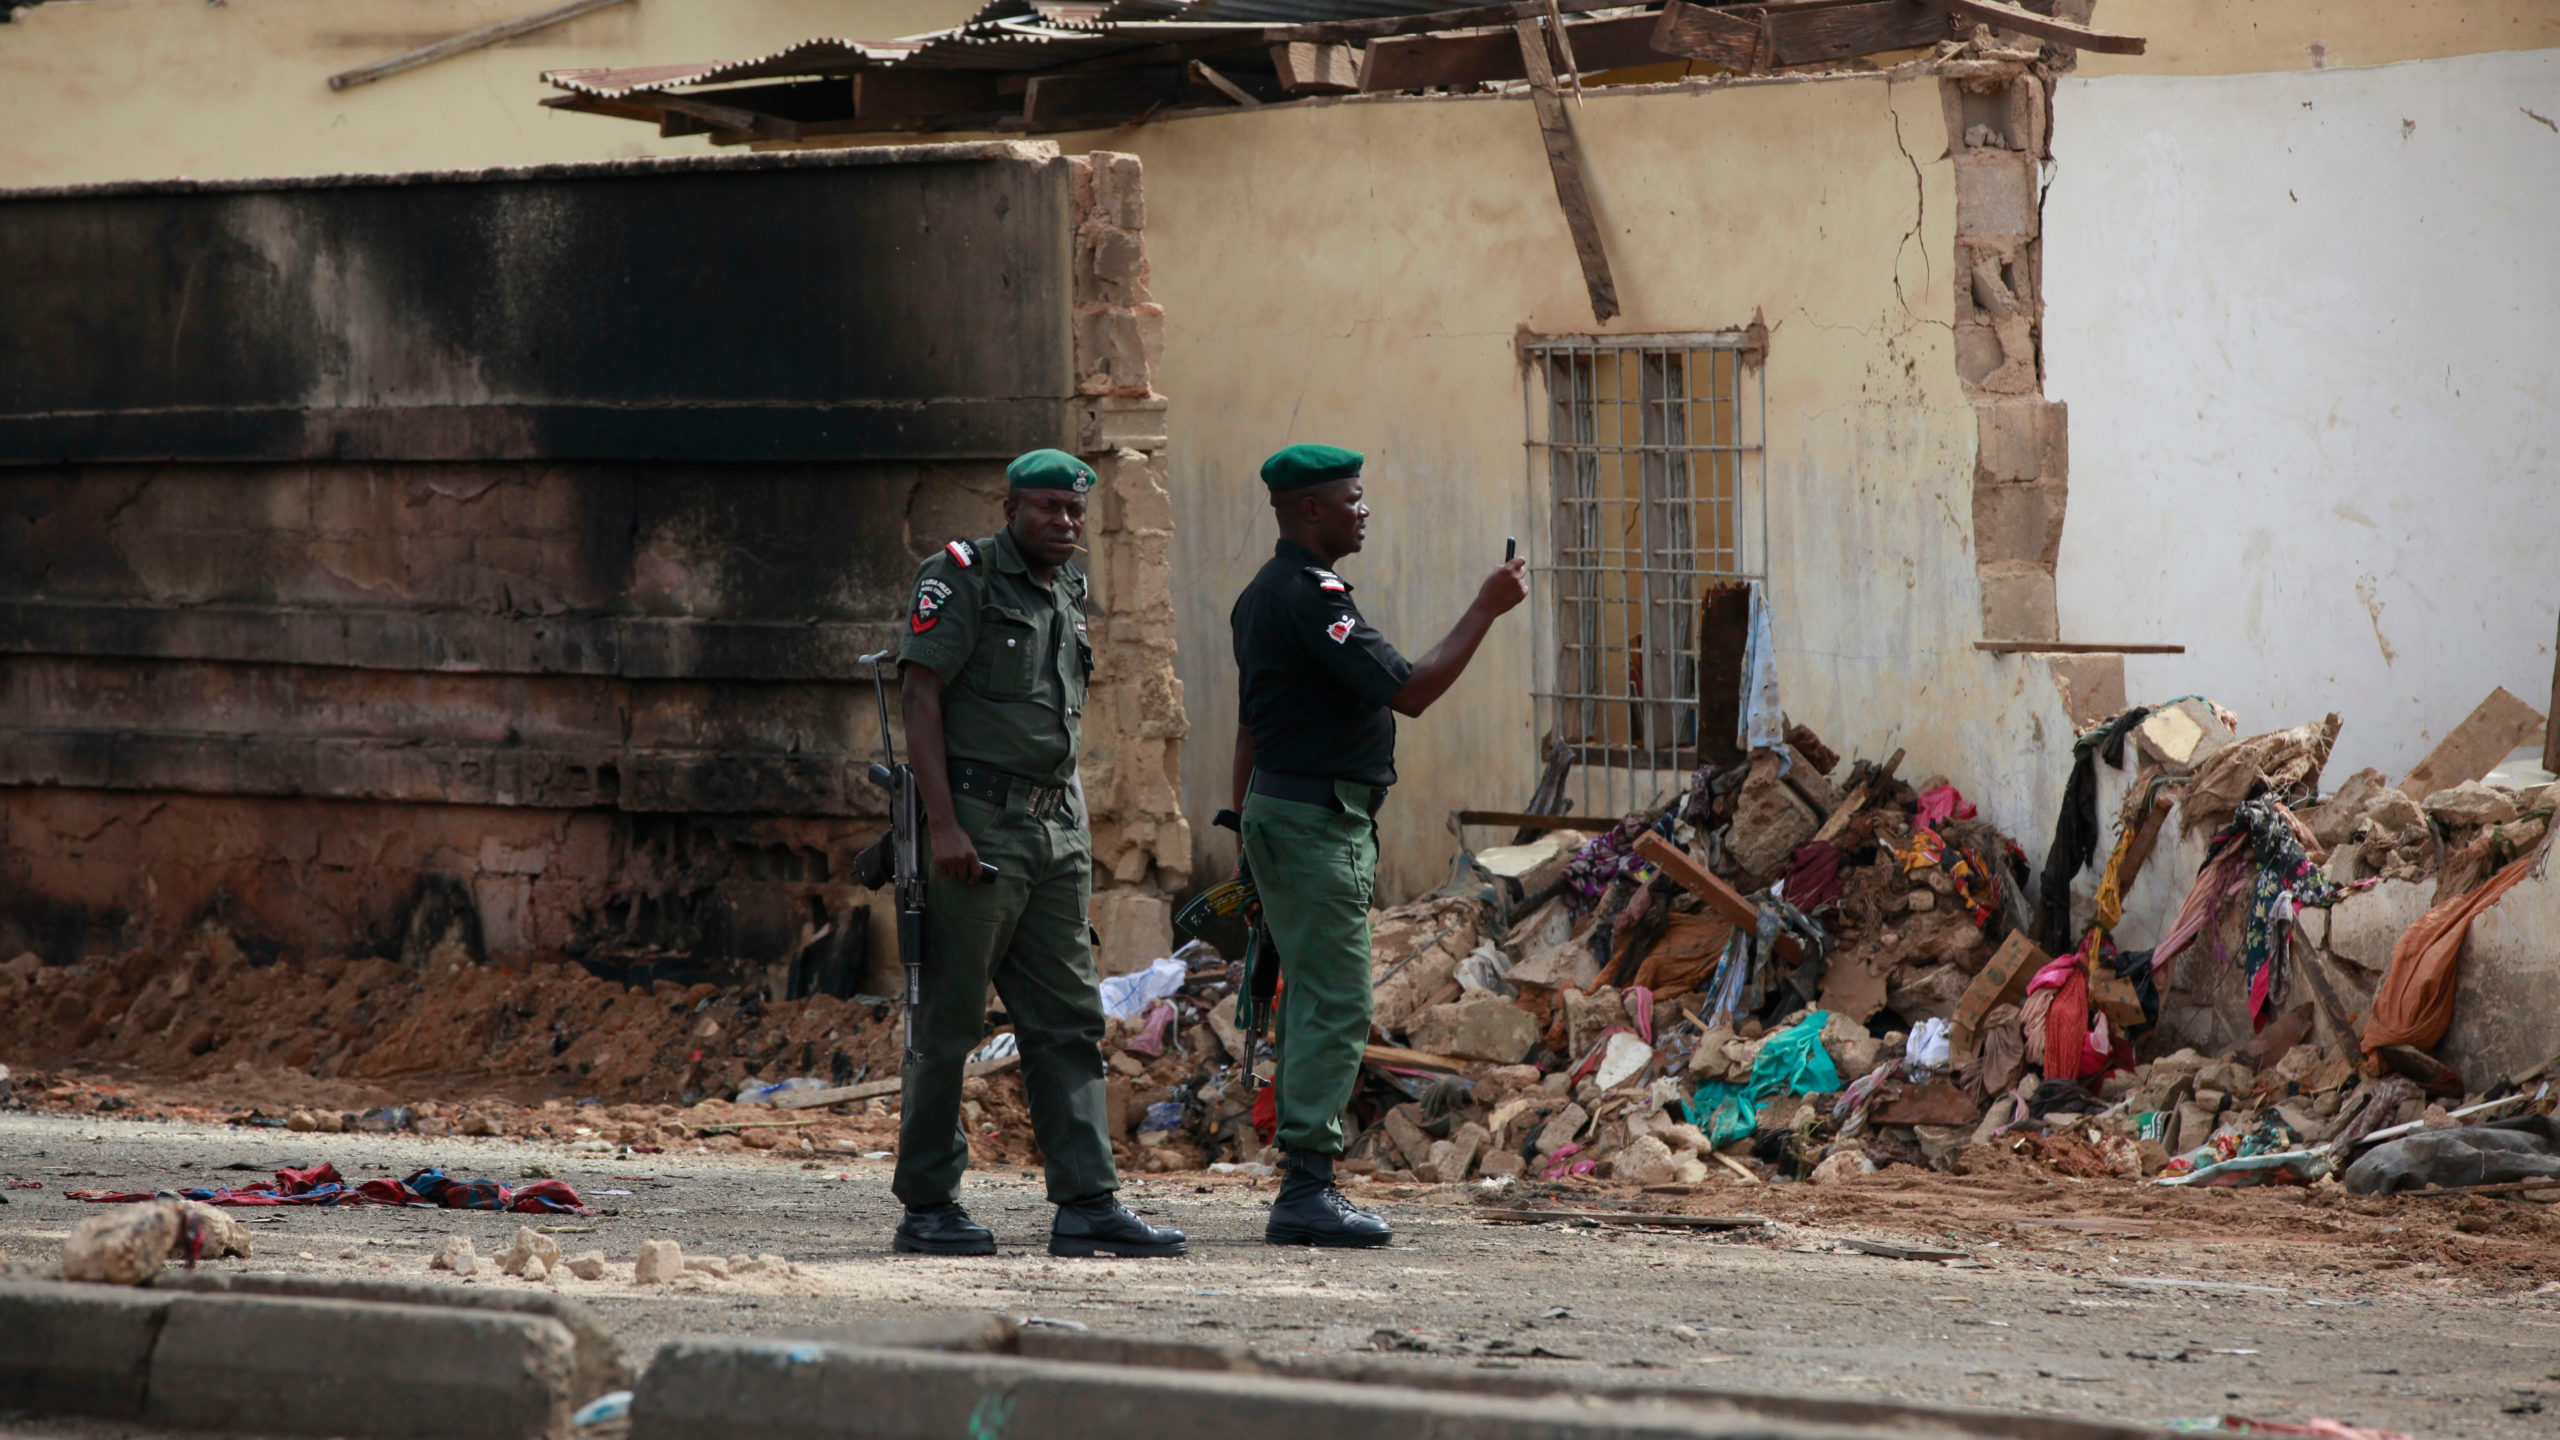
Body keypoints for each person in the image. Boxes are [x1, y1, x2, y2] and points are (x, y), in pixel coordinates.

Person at [1228, 442, 1528, 1247]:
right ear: (1309, 509)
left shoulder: (1262, 596)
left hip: (1288, 817)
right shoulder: (1308, 598)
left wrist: (1241, 828)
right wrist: (1485, 607)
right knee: (1336, 999)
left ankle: (1303, 1179)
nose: (1364, 510)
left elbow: (1252, 722)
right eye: (1351, 498)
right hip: (1315, 824)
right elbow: (1412, 691)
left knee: (1311, 1001)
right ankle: (1307, 1190)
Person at [890, 448, 1186, 1260]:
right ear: (1011, 507)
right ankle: (929, 1205)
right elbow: (919, 695)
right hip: (977, 828)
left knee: (1067, 1021)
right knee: (946, 1020)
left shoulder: (1067, 588)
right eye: (1048, 508)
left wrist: (1076, 833)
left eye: (1075, 511)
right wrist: (944, 826)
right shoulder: (960, 579)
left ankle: (1088, 1201)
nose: (1065, 523)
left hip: (1053, 833)